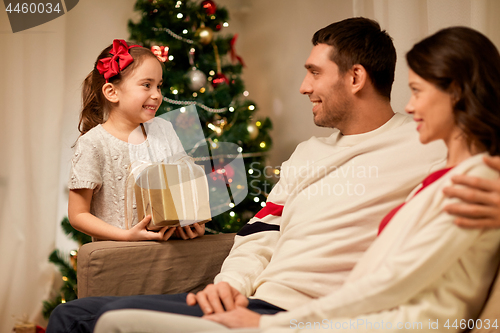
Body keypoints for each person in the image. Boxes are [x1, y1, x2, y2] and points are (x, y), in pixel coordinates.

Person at [46, 19, 500, 333]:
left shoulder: (429, 142)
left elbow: (478, 159)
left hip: (300, 313)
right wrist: (228, 286)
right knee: (78, 314)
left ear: (356, 77)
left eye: (314, 73)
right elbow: (259, 234)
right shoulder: (308, 153)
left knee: (88, 322)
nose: (303, 87)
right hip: (247, 299)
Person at [67, 39, 205, 242]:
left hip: (171, 254)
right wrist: (126, 236)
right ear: (112, 92)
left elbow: (183, 188)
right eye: (146, 85)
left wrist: (194, 222)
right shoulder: (93, 143)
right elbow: (78, 215)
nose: (157, 95)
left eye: (158, 86)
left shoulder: (164, 129)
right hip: (120, 258)